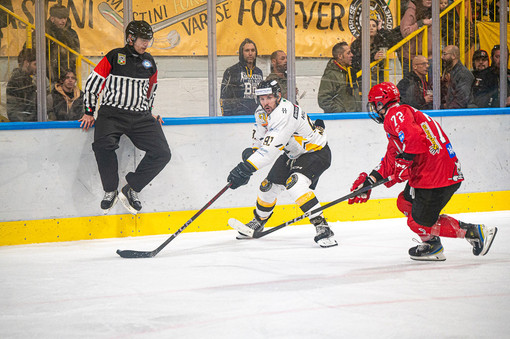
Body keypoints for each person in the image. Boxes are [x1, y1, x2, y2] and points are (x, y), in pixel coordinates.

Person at [348, 82, 497, 261]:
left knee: (417, 222)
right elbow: (392, 157)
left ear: (382, 103)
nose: (374, 109)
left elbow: (414, 140)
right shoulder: (403, 115)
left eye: (375, 104)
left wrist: (405, 161)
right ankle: (431, 245)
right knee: (405, 203)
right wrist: (369, 182)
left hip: (435, 176)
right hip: (434, 173)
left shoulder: (395, 115)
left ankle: (475, 232)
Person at [226, 80, 336, 248]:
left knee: (295, 184)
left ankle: (322, 226)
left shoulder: (284, 113)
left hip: (316, 153)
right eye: (262, 99)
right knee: (267, 186)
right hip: (293, 153)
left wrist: (245, 168)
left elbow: (269, 152)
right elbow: (262, 138)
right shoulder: (261, 112)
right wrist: (253, 151)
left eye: (269, 97)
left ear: (278, 96)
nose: (265, 103)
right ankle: (259, 221)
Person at [78, 20, 171, 214]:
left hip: (140, 116)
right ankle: (110, 189)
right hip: (112, 114)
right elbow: (92, 84)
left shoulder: (149, 62)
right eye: (142, 40)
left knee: (162, 153)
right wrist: (89, 111)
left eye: (148, 40)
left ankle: (132, 188)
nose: (146, 44)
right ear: (130, 38)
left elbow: (151, 90)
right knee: (103, 146)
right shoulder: (114, 56)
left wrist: (148, 110)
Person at [220, 38, 263, 116]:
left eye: (253, 50)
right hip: (237, 119)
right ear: (241, 53)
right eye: (247, 50)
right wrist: (227, 119)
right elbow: (224, 99)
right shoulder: (231, 71)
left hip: (256, 117)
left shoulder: (259, 72)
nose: (250, 53)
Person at [318, 42, 361, 113]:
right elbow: (323, 100)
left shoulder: (350, 72)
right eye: (348, 53)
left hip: (355, 118)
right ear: (340, 56)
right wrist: (341, 113)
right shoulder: (330, 75)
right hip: (340, 120)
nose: (352, 55)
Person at [351, 18, 393, 85]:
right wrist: (373, 58)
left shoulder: (381, 42)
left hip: (378, 78)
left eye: (374, 26)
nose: (371, 28)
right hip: (361, 79)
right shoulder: (356, 44)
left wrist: (380, 29)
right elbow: (355, 62)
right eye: (368, 26)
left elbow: (392, 39)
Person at [46, 4, 80, 83]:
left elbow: (76, 54)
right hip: (48, 74)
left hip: (67, 73)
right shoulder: (43, 32)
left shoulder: (72, 33)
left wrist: (72, 73)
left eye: (65, 18)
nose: (63, 21)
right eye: (60, 18)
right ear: (52, 19)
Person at [400, 0, 432, 79]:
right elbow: (405, 31)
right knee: (411, 86)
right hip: (411, 57)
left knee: (430, 86)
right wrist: (420, 23)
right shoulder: (411, 11)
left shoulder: (435, 10)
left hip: (429, 56)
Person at [6, 48, 37, 122]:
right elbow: (14, 111)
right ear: (26, 63)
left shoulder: (28, 80)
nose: (37, 67)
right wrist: (26, 127)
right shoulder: (16, 81)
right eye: (35, 64)